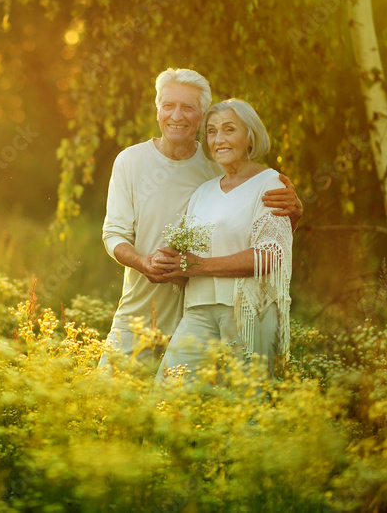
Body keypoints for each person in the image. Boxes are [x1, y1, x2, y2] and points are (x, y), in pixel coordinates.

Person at [99, 70, 301, 368]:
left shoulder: (219, 164)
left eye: (188, 107)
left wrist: (294, 210)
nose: (176, 116)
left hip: (201, 314)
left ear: (202, 115)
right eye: (168, 105)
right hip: (139, 313)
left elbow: (261, 228)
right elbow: (113, 233)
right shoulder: (130, 161)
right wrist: (143, 262)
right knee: (108, 400)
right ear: (157, 110)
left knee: (194, 407)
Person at [153, 98, 294, 383]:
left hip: (248, 311)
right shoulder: (203, 192)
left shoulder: (271, 184)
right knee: (169, 393)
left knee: (246, 407)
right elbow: (190, 262)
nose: (219, 139)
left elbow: (270, 255)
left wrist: (201, 266)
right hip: (198, 308)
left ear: (250, 136)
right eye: (212, 131)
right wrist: (170, 266)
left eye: (229, 130)